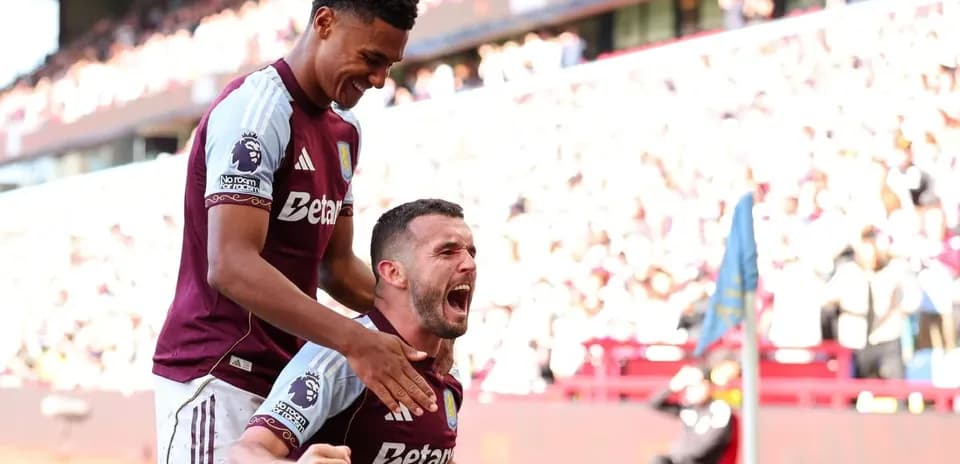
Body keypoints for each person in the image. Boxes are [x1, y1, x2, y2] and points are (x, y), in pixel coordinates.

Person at [152, 2, 448, 463]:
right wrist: (354, 340)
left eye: (389, 65)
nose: (379, 80)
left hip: (286, 381)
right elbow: (230, 265)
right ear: (325, 23)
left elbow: (337, 267)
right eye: (371, 58)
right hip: (218, 371)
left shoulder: (345, 131)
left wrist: (420, 316)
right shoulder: (255, 111)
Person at [230, 199, 474, 464]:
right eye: (447, 252)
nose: (469, 265)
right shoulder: (342, 357)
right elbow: (244, 453)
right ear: (393, 273)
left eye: (472, 253)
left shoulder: (446, 368)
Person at [649, 365, 737, 464]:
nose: (692, 390)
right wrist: (674, 385)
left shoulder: (719, 409)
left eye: (696, 385)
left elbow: (713, 443)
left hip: (699, 461)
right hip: (680, 459)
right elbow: (655, 403)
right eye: (690, 386)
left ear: (708, 385)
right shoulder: (689, 408)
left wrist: (681, 456)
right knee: (659, 460)